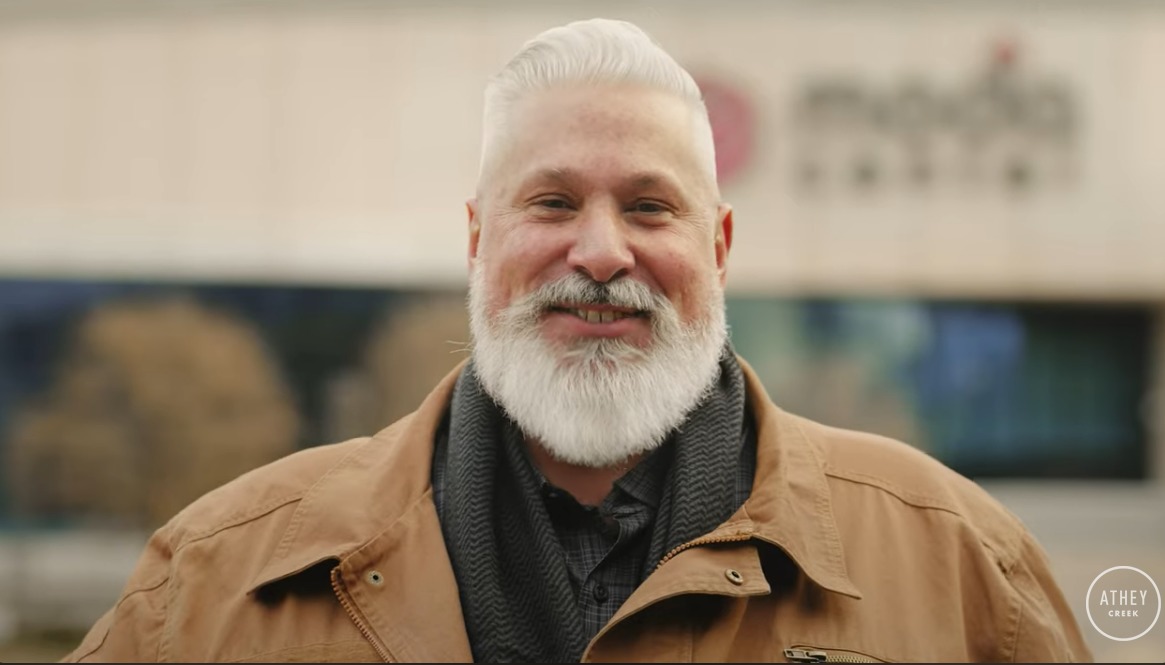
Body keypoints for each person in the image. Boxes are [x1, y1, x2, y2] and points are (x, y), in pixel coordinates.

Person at [63, 18, 1093, 664]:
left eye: (650, 207)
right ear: (477, 240)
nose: (600, 253)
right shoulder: (215, 580)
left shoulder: (959, 565)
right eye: (551, 200)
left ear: (718, 246)